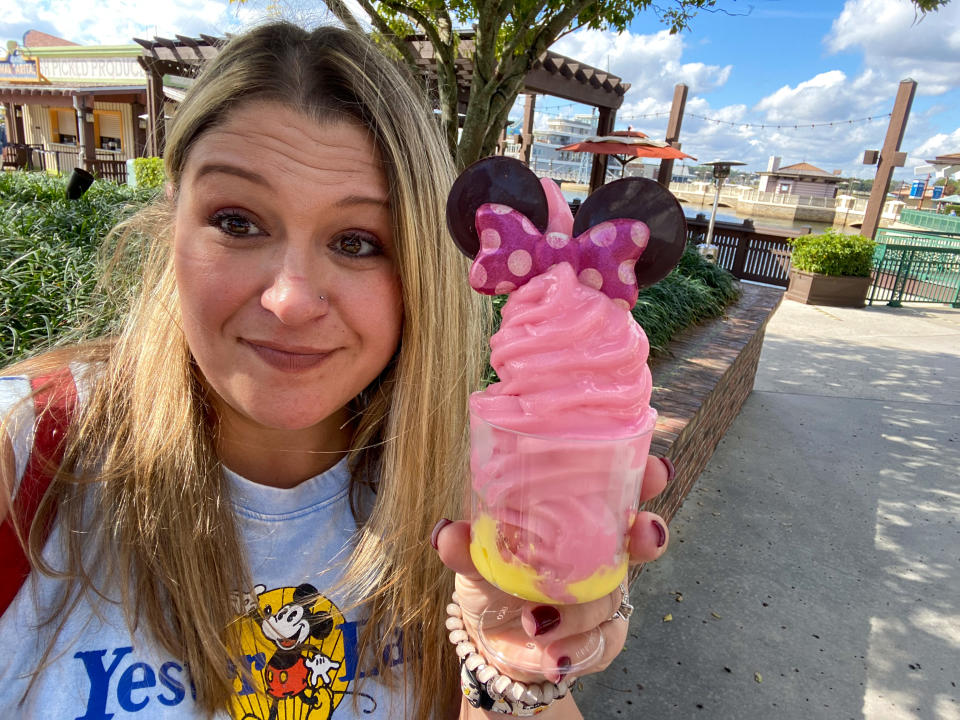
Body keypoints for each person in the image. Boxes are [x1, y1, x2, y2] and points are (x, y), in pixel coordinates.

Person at [0, 22, 672, 720]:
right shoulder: (28, 454)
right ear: (173, 223)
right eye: (236, 221)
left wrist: (507, 669)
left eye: (356, 242)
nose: (289, 300)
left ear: (419, 272)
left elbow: (509, 678)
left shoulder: (475, 502)